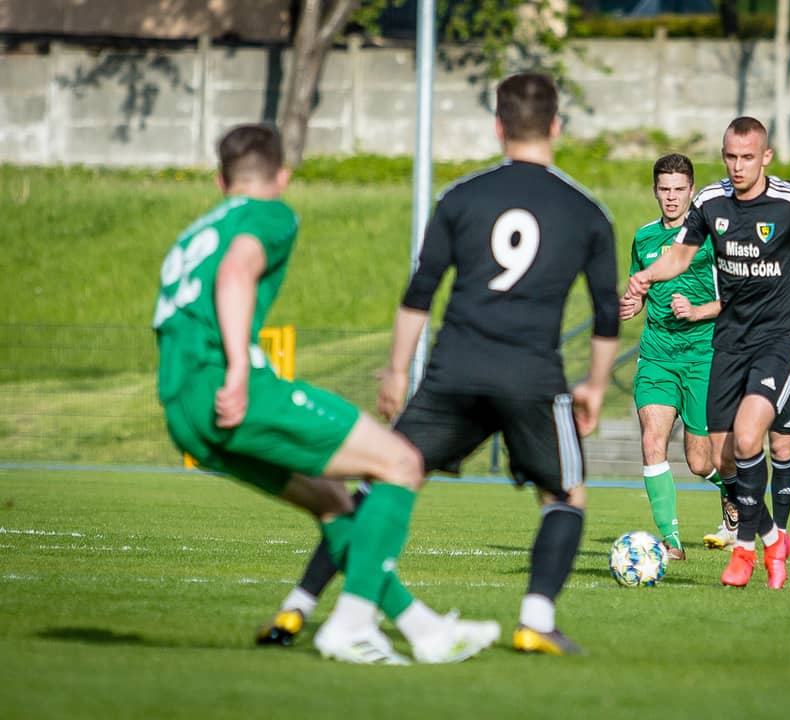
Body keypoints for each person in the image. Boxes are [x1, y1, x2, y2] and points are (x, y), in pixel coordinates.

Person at [258, 72, 620, 655]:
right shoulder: (587, 212)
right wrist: (596, 386)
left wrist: (397, 371)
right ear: (556, 126)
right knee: (564, 495)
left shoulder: (461, 197)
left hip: (455, 371)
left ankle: (298, 606)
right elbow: (606, 313)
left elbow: (420, 291)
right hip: (531, 377)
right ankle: (536, 619)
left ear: (498, 127)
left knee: (383, 479)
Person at [153, 123, 499, 665]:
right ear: (282, 175)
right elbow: (237, 272)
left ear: (221, 180)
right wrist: (239, 368)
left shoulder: (196, 232)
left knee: (333, 502)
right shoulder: (269, 214)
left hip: (181, 408)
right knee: (401, 464)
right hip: (228, 385)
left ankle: (423, 629)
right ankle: (350, 627)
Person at [626, 116, 790, 590]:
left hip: (779, 340)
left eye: (747, 157)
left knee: (751, 434)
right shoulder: (710, 203)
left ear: (766, 157)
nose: (738, 166)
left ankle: (745, 549)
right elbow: (680, 256)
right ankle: (772, 538)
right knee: (721, 458)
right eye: (730, 157)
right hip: (728, 342)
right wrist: (647, 277)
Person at [619, 153, 737, 560]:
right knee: (652, 440)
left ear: (692, 191)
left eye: (679, 189)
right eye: (664, 189)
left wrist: (697, 311)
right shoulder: (644, 238)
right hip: (657, 355)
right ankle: (671, 541)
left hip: (704, 355)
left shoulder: (711, 238)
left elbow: (736, 299)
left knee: (700, 461)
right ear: (655, 191)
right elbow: (640, 289)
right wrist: (632, 303)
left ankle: (734, 492)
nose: (671, 197)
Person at [703, 243, 790, 552]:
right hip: (743, 359)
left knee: (782, 446)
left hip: (788, 359)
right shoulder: (750, 249)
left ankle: (779, 533)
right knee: (731, 450)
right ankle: (742, 525)